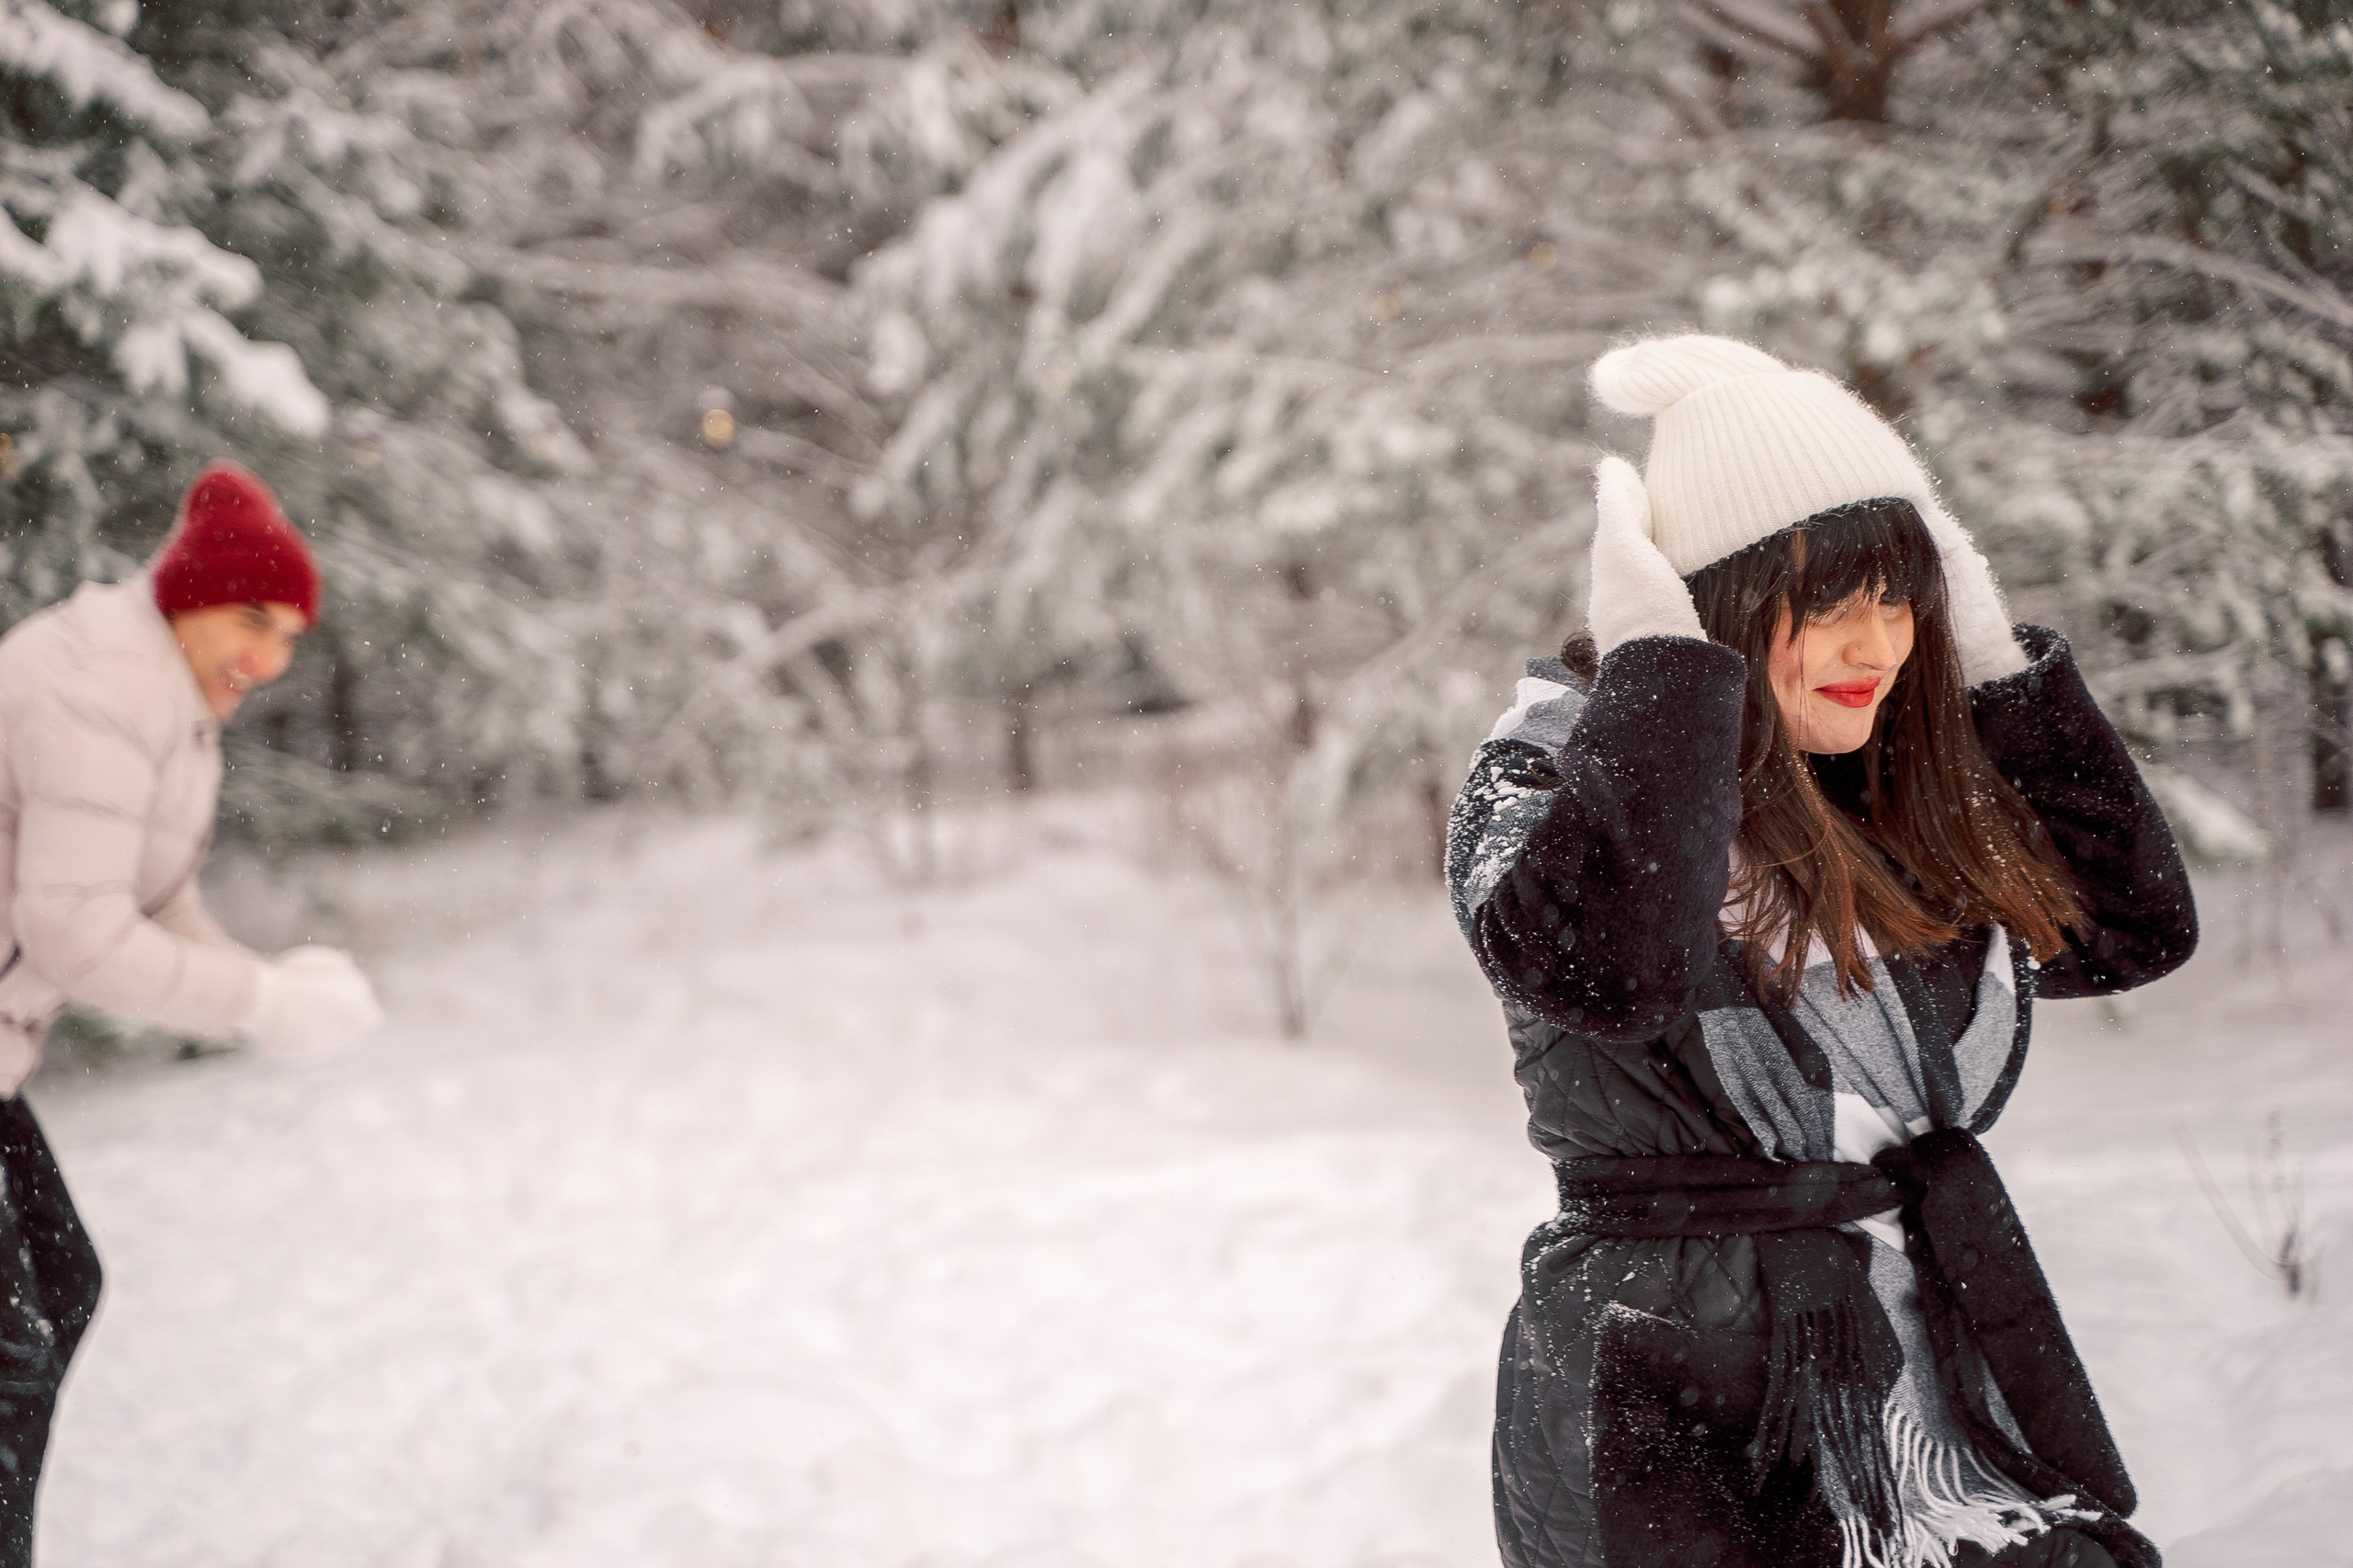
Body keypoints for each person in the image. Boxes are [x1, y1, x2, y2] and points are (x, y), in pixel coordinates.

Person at [1445, 337, 2196, 1568]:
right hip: (1675, 1396)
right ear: (1712, 606)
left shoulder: (1881, 786)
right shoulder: (1547, 776)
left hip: (1933, 1383)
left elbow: (2125, 928)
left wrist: (1996, 663)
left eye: (1901, 599)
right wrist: (1663, 669)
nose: (1877, 647)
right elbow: (1614, 973)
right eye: (1828, 604)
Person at [0, 461, 383, 1562]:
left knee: (62, 1287)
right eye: (254, 620)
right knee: (10, 1350)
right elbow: (76, 930)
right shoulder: (97, 683)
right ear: (188, 595)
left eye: (291, 635)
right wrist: (257, 1001)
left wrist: (273, 996)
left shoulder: (172, 708)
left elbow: (157, 904)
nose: (269, 659)